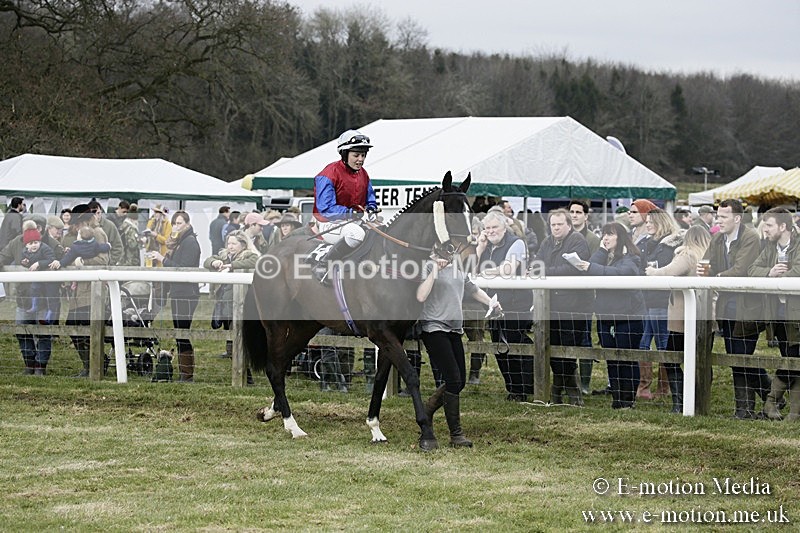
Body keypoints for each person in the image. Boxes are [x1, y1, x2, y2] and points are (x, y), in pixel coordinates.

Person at [417, 253, 501, 447]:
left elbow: (473, 289)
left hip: (455, 329)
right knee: (454, 380)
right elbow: (421, 295)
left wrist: (491, 302)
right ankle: (456, 434)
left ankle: (427, 410)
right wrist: (435, 270)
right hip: (434, 328)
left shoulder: (458, 268)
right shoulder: (427, 266)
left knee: (459, 381)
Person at [698, 198, 769, 419]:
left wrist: (715, 276)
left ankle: (764, 399)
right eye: (718, 216)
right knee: (735, 357)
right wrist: (705, 271)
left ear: (737, 218)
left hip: (749, 308)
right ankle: (751, 405)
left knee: (742, 356)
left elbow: (741, 270)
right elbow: (706, 264)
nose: (718, 220)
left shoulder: (751, 237)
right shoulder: (717, 238)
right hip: (726, 306)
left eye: (723, 217)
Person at [576, 223, 645, 409]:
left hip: (628, 316)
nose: (605, 238)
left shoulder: (631, 257)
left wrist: (592, 267)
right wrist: (600, 252)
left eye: (610, 235)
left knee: (626, 359)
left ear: (620, 237)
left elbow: (624, 273)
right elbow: (589, 271)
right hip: (605, 316)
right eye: (603, 234)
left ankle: (628, 400)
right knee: (611, 360)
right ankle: (617, 399)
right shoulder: (604, 256)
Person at [647, 226, 710, 413]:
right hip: (703, 314)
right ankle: (697, 401)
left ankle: (680, 402)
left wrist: (651, 271)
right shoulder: (706, 256)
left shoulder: (687, 254)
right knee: (699, 359)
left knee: (671, 358)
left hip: (682, 316)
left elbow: (668, 271)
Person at [534, 208, 591, 405]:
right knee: (552, 347)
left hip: (573, 306)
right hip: (551, 304)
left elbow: (575, 268)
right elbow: (537, 262)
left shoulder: (577, 240)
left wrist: (545, 272)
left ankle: (571, 392)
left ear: (568, 225)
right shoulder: (547, 242)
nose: (556, 228)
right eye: (553, 224)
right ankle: (559, 391)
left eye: (559, 224)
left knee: (568, 349)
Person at [476, 210, 533, 401]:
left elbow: (508, 270)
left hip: (516, 303)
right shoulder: (486, 245)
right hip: (493, 304)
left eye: (495, 227)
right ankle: (513, 388)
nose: (491, 231)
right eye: (487, 228)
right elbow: (471, 269)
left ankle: (524, 388)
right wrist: (480, 248)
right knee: (499, 346)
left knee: (514, 343)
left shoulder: (516, 243)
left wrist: (485, 272)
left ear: (504, 227)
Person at [749, 208, 799, 420]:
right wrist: (769, 272)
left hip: (796, 313)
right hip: (777, 313)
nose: (765, 230)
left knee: (794, 359)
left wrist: (779, 277)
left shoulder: (798, 245)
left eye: (769, 225)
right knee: (791, 358)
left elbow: (798, 271)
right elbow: (752, 269)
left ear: (783, 226)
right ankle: (794, 413)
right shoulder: (769, 247)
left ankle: (771, 402)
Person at [310, 129, 378, 277]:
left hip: (354, 220)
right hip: (329, 222)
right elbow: (325, 209)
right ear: (344, 154)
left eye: (363, 155)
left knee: (382, 232)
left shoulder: (363, 174)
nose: (360, 159)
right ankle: (323, 265)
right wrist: (350, 213)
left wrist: (371, 208)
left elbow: (370, 198)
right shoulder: (328, 174)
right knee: (356, 235)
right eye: (356, 155)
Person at [53, 204, 110, 377]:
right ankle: (92, 364)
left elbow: (103, 260)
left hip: (92, 290)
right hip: (80, 290)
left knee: (82, 327)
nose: (76, 227)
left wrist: (82, 262)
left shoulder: (97, 233)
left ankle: (94, 364)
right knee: (75, 326)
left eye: (77, 223)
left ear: (84, 221)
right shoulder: (84, 234)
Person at [148, 211, 201, 382]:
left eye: (179, 223)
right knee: (180, 332)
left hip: (187, 293)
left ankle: (187, 373)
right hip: (179, 292)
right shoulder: (180, 242)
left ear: (187, 223)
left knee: (182, 332)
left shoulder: (190, 242)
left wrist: (162, 259)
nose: (176, 226)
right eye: (175, 223)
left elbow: (183, 267)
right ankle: (184, 372)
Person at [0, 220, 56, 375]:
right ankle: (29, 363)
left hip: (43, 296)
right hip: (24, 296)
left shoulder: (49, 242)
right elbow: (3, 256)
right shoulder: (15, 243)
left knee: (43, 332)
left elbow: (58, 256)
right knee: (21, 330)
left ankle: (40, 366)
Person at [638, 208, 683, 401]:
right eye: (646, 221)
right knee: (643, 343)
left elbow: (666, 269)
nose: (647, 224)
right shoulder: (648, 243)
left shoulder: (670, 246)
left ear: (661, 222)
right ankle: (644, 386)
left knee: (663, 343)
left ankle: (665, 387)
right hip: (648, 299)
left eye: (651, 221)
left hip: (663, 300)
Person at [204, 230, 260, 364]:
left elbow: (255, 261)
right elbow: (207, 261)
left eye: (234, 244)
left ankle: (241, 361)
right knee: (227, 326)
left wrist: (232, 266)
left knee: (239, 331)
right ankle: (230, 352)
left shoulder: (250, 255)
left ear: (243, 244)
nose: (230, 246)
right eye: (229, 243)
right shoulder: (224, 255)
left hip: (241, 302)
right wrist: (214, 262)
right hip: (224, 300)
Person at [568, 199, 600, 394]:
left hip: (584, 295)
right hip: (564, 296)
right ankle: (569, 380)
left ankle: (585, 384)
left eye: (578, 212)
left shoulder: (593, 239)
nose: (574, 215)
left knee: (584, 338)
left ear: (586, 216)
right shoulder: (563, 235)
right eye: (572, 212)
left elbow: (594, 265)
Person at [19, 228, 57, 317]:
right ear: (26, 245)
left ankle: (50, 314)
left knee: (50, 296)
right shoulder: (25, 251)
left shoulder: (45, 248)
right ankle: (34, 305)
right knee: (34, 288)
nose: (34, 245)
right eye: (30, 243)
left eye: (36, 242)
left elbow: (51, 259)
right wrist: (25, 263)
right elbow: (28, 262)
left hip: (49, 276)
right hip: (37, 275)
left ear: (40, 242)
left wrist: (39, 263)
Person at [88, 200, 123, 266]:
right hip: (88, 265)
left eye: (98, 213)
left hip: (105, 266)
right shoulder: (85, 226)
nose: (96, 216)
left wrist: (109, 262)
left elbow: (118, 247)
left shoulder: (110, 226)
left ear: (101, 212)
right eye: (93, 213)